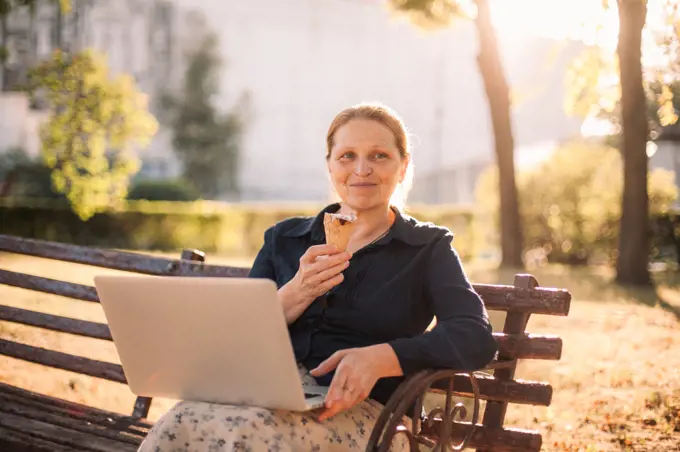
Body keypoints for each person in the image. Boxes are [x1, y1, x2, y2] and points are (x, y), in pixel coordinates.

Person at [139, 103, 498, 451]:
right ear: (330, 166)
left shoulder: (427, 247)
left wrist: (381, 358)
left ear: (403, 167)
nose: (362, 169)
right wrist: (296, 292)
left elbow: (474, 336)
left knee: (248, 434)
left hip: (369, 418)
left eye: (379, 156)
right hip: (265, 398)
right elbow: (234, 338)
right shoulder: (284, 239)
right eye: (347, 156)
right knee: (181, 420)